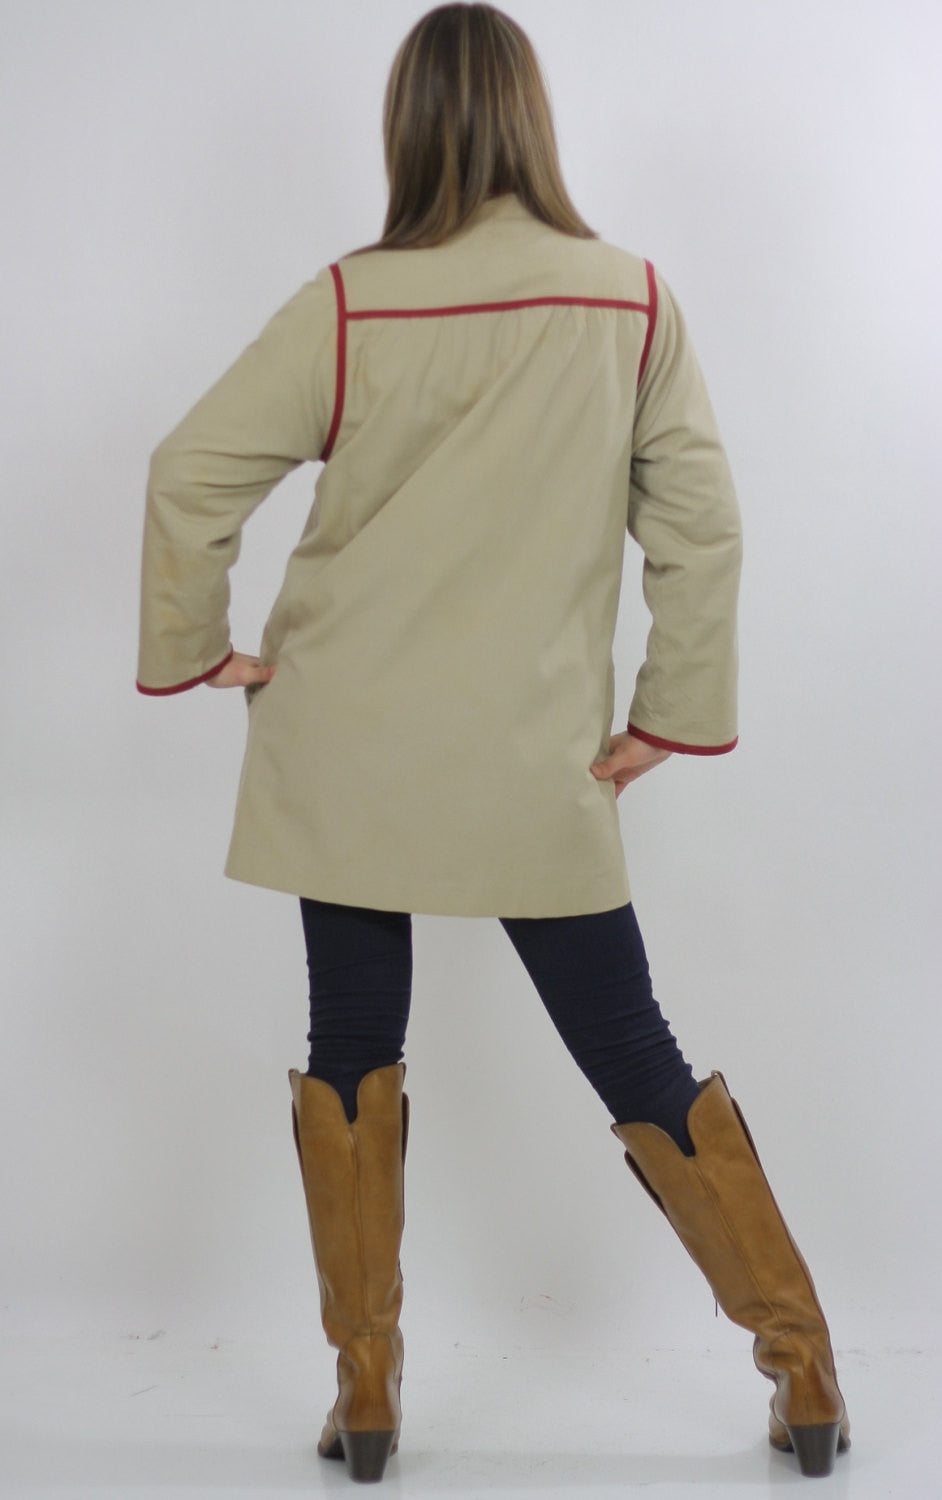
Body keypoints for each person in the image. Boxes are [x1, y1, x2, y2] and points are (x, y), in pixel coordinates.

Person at [135, 2, 849, 1484]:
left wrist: (203, 648)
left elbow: (188, 471)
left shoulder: (351, 302)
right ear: (532, 118)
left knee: (351, 1053)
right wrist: (669, 715)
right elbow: (702, 527)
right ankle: (804, 1371)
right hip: (538, 760)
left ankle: (368, 1392)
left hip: (345, 746)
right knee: (637, 1055)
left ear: (406, 124)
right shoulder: (631, 302)